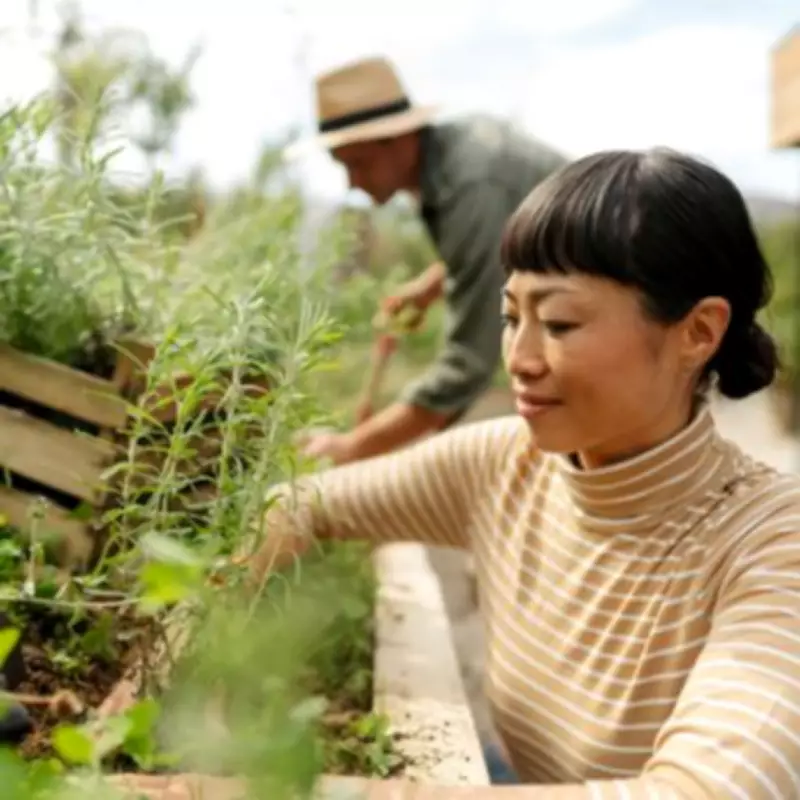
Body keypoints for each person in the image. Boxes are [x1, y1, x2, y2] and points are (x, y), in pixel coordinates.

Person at [112, 149, 800, 799]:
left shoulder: (772, 542)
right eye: (510, 317)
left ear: (698, 332)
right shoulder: (506, 463)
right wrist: (201, 663)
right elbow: (299, 503)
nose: (520, 358)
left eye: (560, 323)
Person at [297, 55, 568, 465]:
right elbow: (514, 245)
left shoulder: (471, 183)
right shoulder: (453, 155)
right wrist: (430, 287)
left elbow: (469, 363)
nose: (352, 182)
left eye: (359, 163)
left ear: (399, 138)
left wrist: (354, 446)